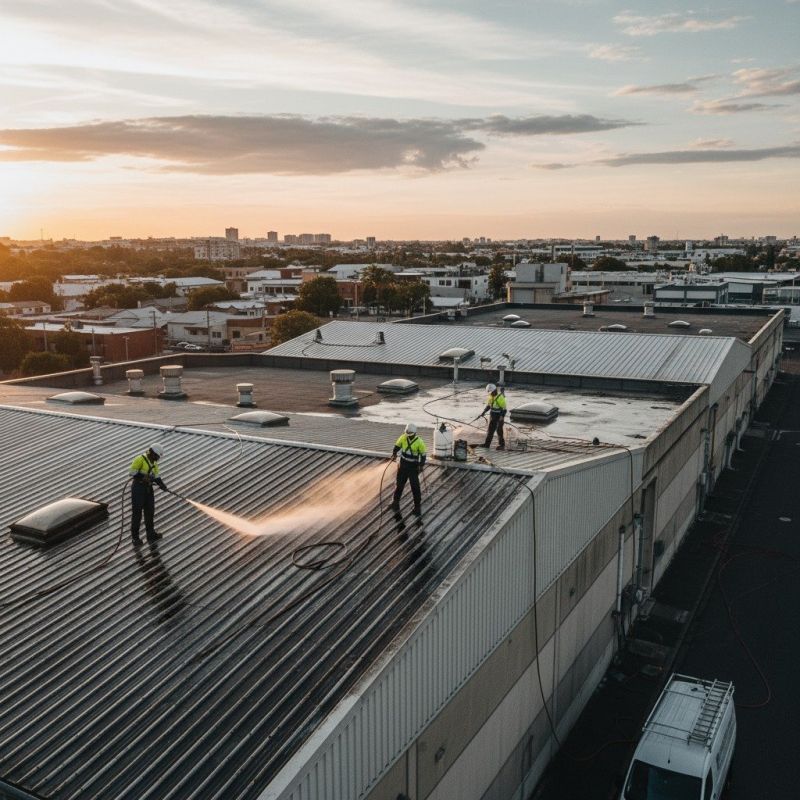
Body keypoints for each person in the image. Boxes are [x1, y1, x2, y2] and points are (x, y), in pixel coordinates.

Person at [129, 444, 169, 545]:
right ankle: (135, 538)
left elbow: (156, 477)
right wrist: (142, 476)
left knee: (150, 512)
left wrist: (162, 485)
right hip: (138, 489)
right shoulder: (140, 459)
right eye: (157, 456)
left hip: (148, 490)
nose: (158, 459)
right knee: (137, 514)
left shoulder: (154, 464)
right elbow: (132, 472)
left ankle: (150, 534)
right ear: (152, 453)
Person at [390, 422, 426, 516]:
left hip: (413, 467)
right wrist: (394, 454)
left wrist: (421, 465)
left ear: (414, 433)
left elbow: (423, 455)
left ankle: (417, 507)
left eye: (410, 434)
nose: (408, 436)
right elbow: (397, 446)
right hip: (402, 465)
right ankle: (395, 502)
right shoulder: (403, 437)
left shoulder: (420, 442)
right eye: (407, 434)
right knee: (399, 485)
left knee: (415, 487)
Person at [480, 383, 507, 450]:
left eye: (491, 392)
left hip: (499, 416)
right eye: (490, 392)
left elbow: (504, 409)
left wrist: (502, 416)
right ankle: (487, 444)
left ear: (495, 390)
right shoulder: (490, 396)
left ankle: (502, 445)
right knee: (490, 431)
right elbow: (489, 405)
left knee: (499, 431)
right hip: (492, 416)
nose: (490, 393)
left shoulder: (500, 397)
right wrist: (484, 412)